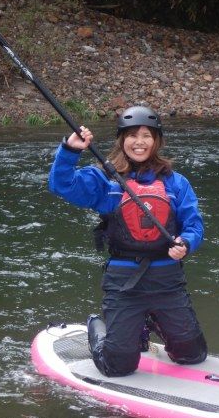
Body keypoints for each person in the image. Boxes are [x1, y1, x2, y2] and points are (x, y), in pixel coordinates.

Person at [49, 105, 208, 377]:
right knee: (118, 367)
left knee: (192, 356)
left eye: (146, 135)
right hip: (123, 282)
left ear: (156, 140)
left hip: (167, 280)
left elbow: (194, 224)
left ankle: (153, 320)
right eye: (132, 135)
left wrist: (187, 242)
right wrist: (70, 150)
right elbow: (61, 185)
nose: (139, 142)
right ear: (122, 141)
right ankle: (97, 327)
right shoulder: (105, 181)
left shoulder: (175, 182)